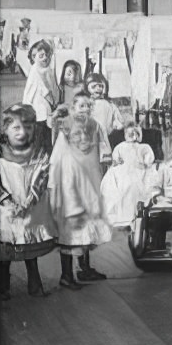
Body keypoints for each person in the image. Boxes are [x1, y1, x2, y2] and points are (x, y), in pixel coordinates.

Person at [0, 102, 58, 299]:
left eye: (27, 126)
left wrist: (31, 197)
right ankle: (2, 285)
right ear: (5, 129)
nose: (22, 132)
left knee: (29, 245)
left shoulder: (39, 152)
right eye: (16, 127)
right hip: (6, 208)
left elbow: (42, 174)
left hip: (30, 205)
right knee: (5, 247)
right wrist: (7, 201)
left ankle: (35, 283)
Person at [48, 116, 114, 287]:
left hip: (85, 199)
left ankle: (84, 268)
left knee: (86, 233)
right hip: (71, 203)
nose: (83, 137)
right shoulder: (67, 159)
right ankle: (66, 274)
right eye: (77, 134)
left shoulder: (84, 153)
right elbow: (62, 180)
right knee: (69, 236)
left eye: (85, 133)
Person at [100, 122, 157, 228]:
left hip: (139, 169)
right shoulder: (120, 147)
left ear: (138, 134)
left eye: (134, 133)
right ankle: (121, 216)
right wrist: (117, 161)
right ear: (125, 134)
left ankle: (136, 215)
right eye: (128, 133)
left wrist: (145, 162)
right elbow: (116, 159)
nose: (131, 135)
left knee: (136, 185)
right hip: (124, 170)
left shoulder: (143, 147)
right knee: (117, 183)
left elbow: (149, 160)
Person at [22, 39, 60, 153]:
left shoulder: (47, 70)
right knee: (39, 140)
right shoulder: (36, 70)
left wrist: (54, 100)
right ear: (34, 58)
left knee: (47, 138)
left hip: (44, 112)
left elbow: (53, 88)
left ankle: (46, 160)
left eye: (47, 55)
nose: (45, 58)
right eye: (41, 55)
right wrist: (53, 101)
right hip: (37, 111)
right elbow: (45, 91)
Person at [85, 71, 124, 136]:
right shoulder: (87, 104)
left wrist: (116, 122)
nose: (98, 89)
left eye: (100, 86)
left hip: (108, 135)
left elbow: (117, 117)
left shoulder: (110, 104)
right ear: (87, 89)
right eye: (94, 86)